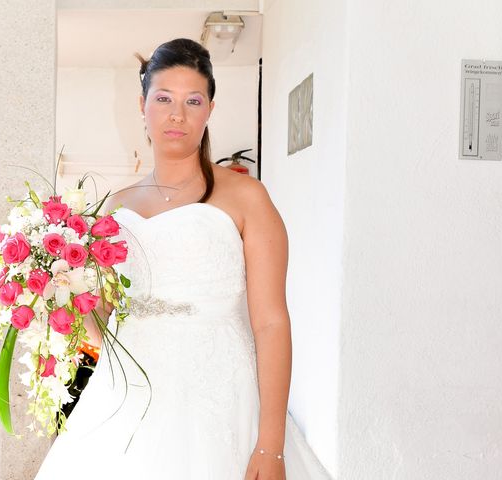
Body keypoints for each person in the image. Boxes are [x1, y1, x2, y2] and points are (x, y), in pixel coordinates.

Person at [35, 38, 330, 480]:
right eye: (164, 99)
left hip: (219, 397)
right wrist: (61, 288)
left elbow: (271, 322)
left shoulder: (247, 196)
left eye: (193, 100)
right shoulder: (115, 209)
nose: (177, 115)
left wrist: (271, 446)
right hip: (127, 398)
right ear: (143, 105)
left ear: (210, 108)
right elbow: (103, 326)